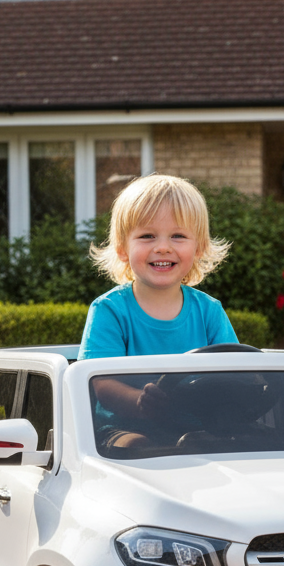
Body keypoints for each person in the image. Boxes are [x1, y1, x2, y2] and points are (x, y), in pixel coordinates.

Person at [79, 174, 239, 448]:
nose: (163, 247)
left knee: (245, 445)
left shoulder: (209, 311)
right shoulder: (110, 310)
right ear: (122, 248)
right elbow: (101, 383)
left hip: (196, 429)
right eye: (147, 236)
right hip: (121, 428)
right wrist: (141, 403)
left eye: (178, 236)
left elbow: (236, 373)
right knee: (137, 448)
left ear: (198, 247)